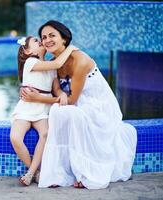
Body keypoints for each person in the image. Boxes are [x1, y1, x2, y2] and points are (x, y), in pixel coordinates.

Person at [20, 20, 137, 189]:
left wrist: (37, 98)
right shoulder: (54, 62)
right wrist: (27, 92)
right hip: (76, 102)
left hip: (98, 106)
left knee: (68, 113)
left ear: (64, 39)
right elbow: (55, 90)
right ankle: (58, 173)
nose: (46, 40)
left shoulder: (80, 60)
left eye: (52, 35)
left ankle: (85, 174)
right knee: (59, 111)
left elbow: (72, 100)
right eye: (43, 37)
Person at [10, 36, 77, 186]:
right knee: (15, 137)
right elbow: (58, 62)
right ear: (27, 51)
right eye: (35, 41)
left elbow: (56, 89)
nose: (39, 40)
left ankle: (30, 174)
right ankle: (35, 172)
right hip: (26, 107)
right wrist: (70, 49)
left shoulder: (51, 67)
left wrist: (62, 95)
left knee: (45, 134)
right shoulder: (30, 62)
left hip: (43, 108)